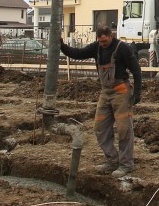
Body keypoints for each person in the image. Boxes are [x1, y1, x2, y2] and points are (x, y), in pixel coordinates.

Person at [59, 25, 142, 177]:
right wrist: (62, 46)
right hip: (105, 92)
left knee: (124, 129)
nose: (103, 44)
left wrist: (137, 92)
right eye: (100, 41)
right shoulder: (96, 48)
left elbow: (136, 70)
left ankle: (126, 164)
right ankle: (112, 160)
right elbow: (78, 53)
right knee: (100, 127)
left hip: (121, 91)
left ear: (111, 36)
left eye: (105, 41)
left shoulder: (122, 48)